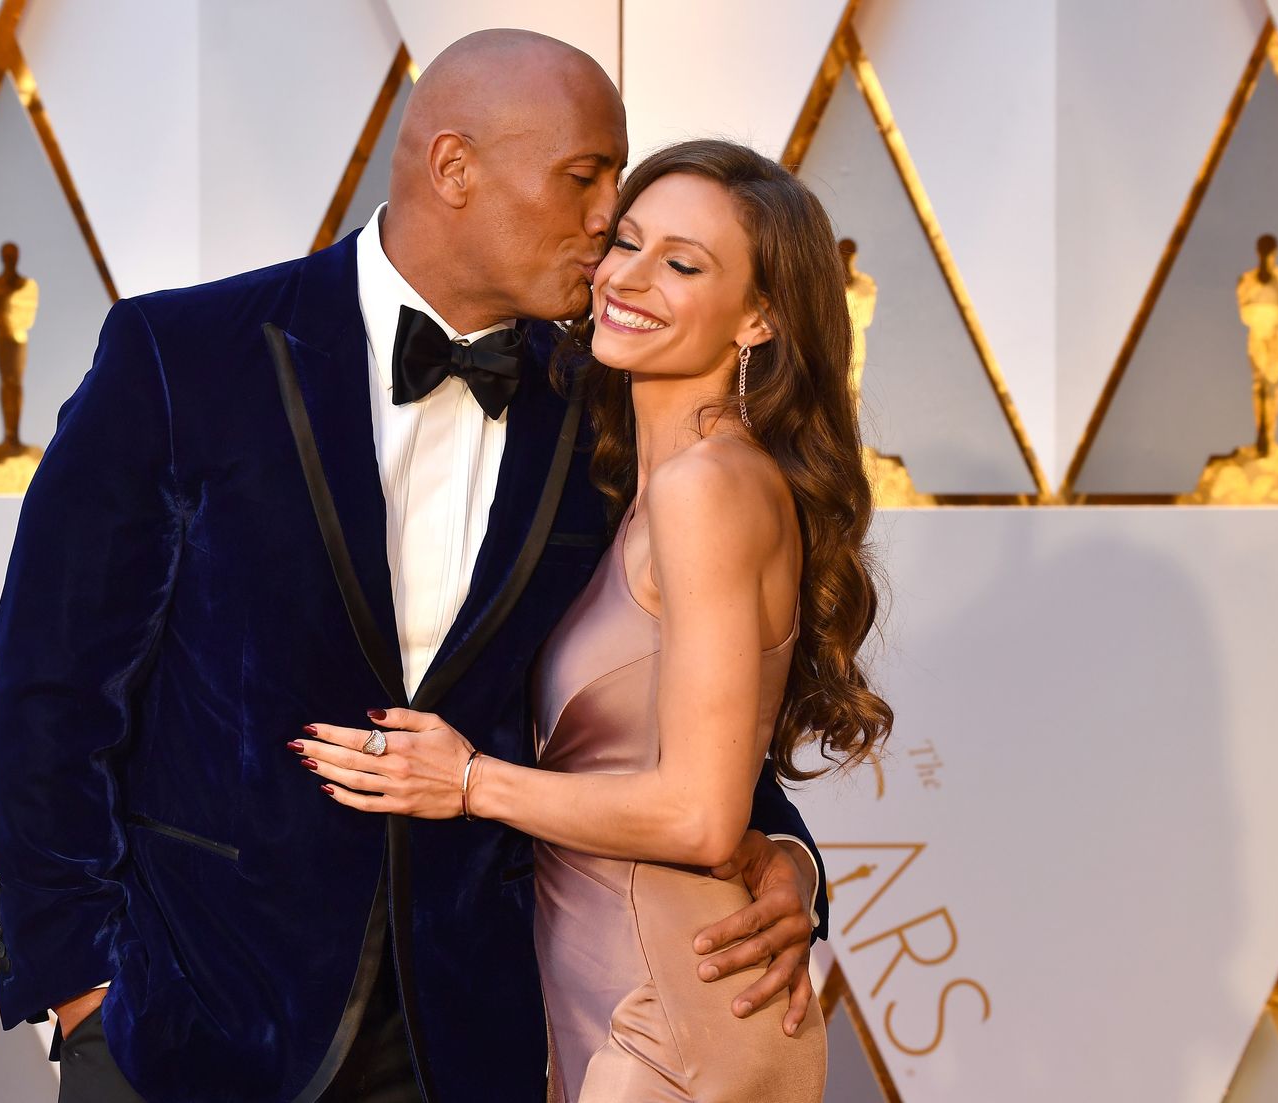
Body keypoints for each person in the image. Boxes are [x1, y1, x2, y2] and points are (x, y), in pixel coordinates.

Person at [0, 32, 829, 1103]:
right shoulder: (183, 356)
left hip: (469, 1033)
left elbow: (672, 693)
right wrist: (84, 991)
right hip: (190, 1015)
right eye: (586, 177)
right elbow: (50, 696)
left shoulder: (609, 408)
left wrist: (787, 857)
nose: (610, 218)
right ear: (454, 167)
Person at [297, 139, 892, 1101]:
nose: (630, 277)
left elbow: (700, 815)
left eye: (683, 264)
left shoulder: (708, 489)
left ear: (758, 318)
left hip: (660, 1017)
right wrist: (788, 859)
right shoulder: (638, 476)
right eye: (627, 241)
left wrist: (468, 781)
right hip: (599, 997)